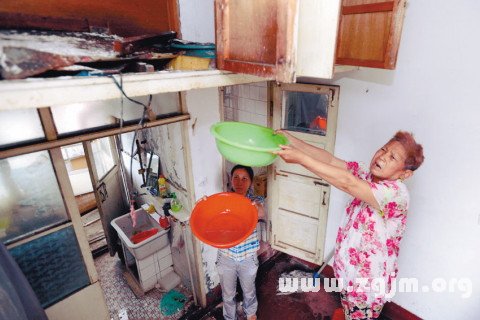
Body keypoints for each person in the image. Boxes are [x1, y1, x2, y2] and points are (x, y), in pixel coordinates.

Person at [273, 131, 424, 320]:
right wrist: (292, 141)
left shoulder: (396, 194)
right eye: (383, 149)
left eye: (392, 157)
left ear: (405, 173)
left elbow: (347, 182)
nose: (382, 157)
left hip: (367, 283)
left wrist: (300, 159)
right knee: (348, 311)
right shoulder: (367, 175)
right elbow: (330, 160)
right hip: (349, 272)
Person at [216, 164, 265, 320]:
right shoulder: (223, 200)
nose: (239, 182)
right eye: (236, 177)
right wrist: (205, 204)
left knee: (249, 290)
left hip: (248, 257)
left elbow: (262, 213)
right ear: (231, 179)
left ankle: (251, 313)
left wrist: (256, 207)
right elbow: (211, 217)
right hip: (226, 256)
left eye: (245, 178)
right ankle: (230, 317)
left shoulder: (255, 201)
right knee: (228, 293)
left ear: (250, 182)